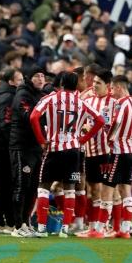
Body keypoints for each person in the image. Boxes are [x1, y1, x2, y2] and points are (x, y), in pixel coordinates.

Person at [29, 71, 105, 237]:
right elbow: (100, 120)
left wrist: (41, 139)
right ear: (75, 84)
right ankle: (65, 228)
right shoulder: (80, 102)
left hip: (54, 149)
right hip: (73, 150)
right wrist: (83, 139)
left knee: (44, 187)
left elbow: (34, 117)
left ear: (62, 83)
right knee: (70, 188)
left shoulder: (50, 98)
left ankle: (41, 228)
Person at [98, 75, 132, 239]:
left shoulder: (120, 104)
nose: (111, 92)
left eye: (112, 88)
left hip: (119, 151)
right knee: (126, 189)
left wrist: (108, 133)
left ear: (118, 87)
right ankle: (125, 229)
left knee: (107, 189)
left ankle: (100, 228)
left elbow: (116, 124)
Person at [77, 69, 116, 236]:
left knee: (108, 191)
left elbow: (116, 125)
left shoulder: (114, 103)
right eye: (93, 82)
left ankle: (111, 225)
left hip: (106, 152)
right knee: (92, 191)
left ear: (107, 85)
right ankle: (94, 227)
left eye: (98, 83)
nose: (94, 85)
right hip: (90, 151)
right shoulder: (89, 100)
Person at [8, 67, 46, 237]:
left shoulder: (41, 96)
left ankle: (26, 222)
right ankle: (17, 226)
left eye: (43, 76)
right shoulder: (22, 95)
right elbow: (28, 117)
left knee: (32, 188)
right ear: (28, 79)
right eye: (37, 75)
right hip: (21, 147)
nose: (40, 78)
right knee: (21, 186)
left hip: (36, 147)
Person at [0, 68, 22, 234]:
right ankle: (7, 221)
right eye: (20, 79)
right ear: (11, 81)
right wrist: (13, 144)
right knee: (7, 184)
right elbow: (6, 125)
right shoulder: (9, 98)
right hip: (4, 147)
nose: (22, 82)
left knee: (2, 183)